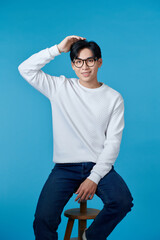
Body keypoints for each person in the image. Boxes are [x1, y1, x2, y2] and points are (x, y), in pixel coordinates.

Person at [18, 35, 134, 240]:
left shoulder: (113, 97)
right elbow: (25, 69)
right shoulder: (60, 88)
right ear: (72, 65)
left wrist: (94, 177)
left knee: (122, 201)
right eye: (78, 62)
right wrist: (57, 49)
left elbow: (113, 143)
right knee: (43, 219)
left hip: (99, 164)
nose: (84, 66)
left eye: (90, 60)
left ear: (99, 62)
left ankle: (87, 238)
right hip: (65, 167)